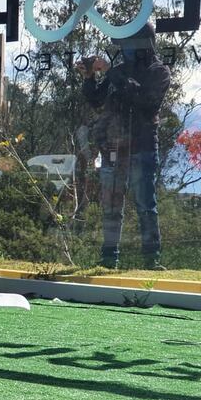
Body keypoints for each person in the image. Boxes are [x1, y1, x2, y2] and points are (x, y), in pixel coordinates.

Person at [76, 22, 170, 270]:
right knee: (111, 204)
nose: (125, 49)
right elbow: (97, 100)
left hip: (143, 147)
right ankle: (109, 258)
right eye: (123, 44)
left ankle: (151, 259)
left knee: (145, 203)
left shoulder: (159, 72)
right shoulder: (118, 71)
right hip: (114, 148)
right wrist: (89, 78)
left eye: (128, 43)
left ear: (143, 44)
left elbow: (146, 102)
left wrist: (110, 71)